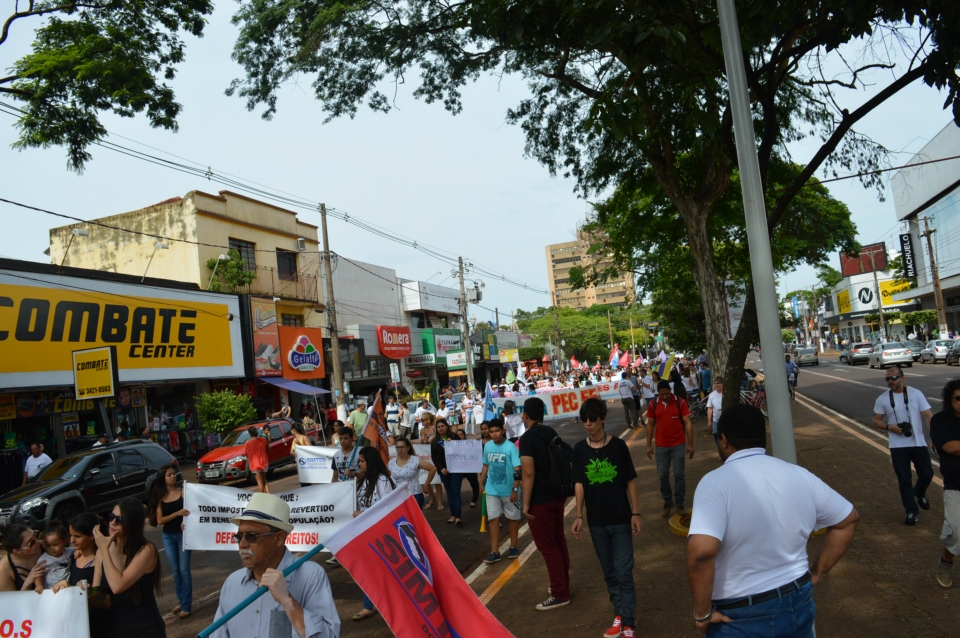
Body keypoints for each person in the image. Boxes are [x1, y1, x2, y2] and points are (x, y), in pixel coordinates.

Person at [687, 404, 859, 637]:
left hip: (741, 614)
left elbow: (701, 553)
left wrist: (703, 614)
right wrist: (816, 573)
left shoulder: (714, 483)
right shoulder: (799, 475)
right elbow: (848, 519)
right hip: (798, 600)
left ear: (724, 440)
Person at [213, 493, 340, 637]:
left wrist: (287, 601)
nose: (242, 544)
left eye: (251, 536)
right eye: (238, 536)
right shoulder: (232, 583)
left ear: (279, 538)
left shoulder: (311, 575)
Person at [571, 398, 642, 638]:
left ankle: (629, 622)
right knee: (610, 572)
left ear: (602, 418)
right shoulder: (580, 449)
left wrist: (636, 512)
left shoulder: (619, 446)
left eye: (592, 419)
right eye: (584, 419)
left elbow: (630, 480)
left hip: (621, 518)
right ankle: (619, 614)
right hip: (597, 522)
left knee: (624, 571)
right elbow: (579, 483)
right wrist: (578, 514)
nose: (588, 424)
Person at [520, 397, 571, 611]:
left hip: (540, 500)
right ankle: (562, 585)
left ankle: (560, 593)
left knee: (548, 546)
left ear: (526, 415)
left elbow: (528, 472)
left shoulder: (527, 438)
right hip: (557, 495)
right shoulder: (551, 432)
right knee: (558, 541)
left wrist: (526, 503)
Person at [93, 496, 165, 638]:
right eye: (111, 516)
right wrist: (81, 591)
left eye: (119, 520)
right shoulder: (101, 551)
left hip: (143, 628)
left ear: (132, 524)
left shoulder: (146, 550)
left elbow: (118, 585)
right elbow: (96, 591)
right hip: (112, 628)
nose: (112, 522)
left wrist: (104, 550)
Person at [872, 367, 935, 525]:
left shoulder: (915, 393)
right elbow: (876, 419)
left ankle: (919, 492)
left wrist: (934, 436)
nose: (890, 381)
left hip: (918, 442)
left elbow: (928, 415)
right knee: (904, 479)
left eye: (894, 378)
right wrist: (889, 427)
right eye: (888, 379)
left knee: (927, 474)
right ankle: (911, 511)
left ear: (902, 378)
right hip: (897, 445)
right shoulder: (883, 399)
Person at [352, 447, 396, 621]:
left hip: (380, 533)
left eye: (362, 461)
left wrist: (362, 515)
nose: (359, 464)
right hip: (363, 532)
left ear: (370, 462)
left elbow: (387, 508)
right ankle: (369, 605)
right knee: (365, 570)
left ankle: (392, 605)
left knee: (383, 570)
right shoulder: (363, 481)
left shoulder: (382, 480)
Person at [146, 465, 192, 619]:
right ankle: (181, 600)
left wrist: (186, 520)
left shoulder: (183, 492)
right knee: (176, 571)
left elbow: (193, 511)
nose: (173, 476)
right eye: (169, 475)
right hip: (168, 536)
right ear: (163, 478)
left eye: (174, 474)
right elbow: (160, 520)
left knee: (184, 570)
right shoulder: (160, 496)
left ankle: (186, 606)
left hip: (183, 535)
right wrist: (177, 513)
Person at [52, 512, 109, 635]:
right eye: (71, 535)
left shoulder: (102, 560)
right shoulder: (71, 556)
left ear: (92, 536)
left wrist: (78, 592)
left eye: (77, 536)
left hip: (95, 626)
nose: (72, 540)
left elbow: (104, 597)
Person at [645, 380, 694, 518]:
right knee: (663, 475)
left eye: (667, 394)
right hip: (661, 446)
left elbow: (688, 423)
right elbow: (650, 425)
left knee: (679, 475)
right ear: (658, 393)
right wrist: (648, 446)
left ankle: (679, 503)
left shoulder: (680, 402)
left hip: (678, 444)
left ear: (670, 391)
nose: (665, 397)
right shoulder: (653, 404)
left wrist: (690, 444)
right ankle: (667, 501)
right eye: (662, 394)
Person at [931, 378, 960, 588]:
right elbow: (951, 448)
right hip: (956, 484)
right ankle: (947, 561)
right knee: (956, 530)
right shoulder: (940, 421)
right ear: (950, 400)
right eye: (958, 398)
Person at [481, 418, 522, 564]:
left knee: (512, 519)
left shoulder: (511, 447)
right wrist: (481, 483)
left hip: (509, 490)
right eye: (491, 432)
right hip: (492, 490)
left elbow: (518, 470)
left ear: (503, 430)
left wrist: (515, 490)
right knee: (493, 519)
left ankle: (513, 546)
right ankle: (495, 551)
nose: (494, 434)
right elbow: (485, 466)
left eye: (497, 431)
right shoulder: (487, 446)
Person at [388, 436, 436, 509]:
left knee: (415, 519)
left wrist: (426, 485)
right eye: (397, 447)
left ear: (408, 448)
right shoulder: (392, 462)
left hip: (414, 495)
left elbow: (432, 468)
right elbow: (381, 472)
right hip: (398, 496)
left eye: (402, 447)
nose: (400, 449)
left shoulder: (415, 460)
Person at [431, 419, 464, 525]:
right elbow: (434, 458)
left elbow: (464, 450)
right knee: (449, 493)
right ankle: (453, 515)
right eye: (438, 427)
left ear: (447, 426)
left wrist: (453, 444)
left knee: (456, 492)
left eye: (442, 426)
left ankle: (458, 517)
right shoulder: (435, 441)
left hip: (456, 469)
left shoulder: (454, 437)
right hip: (444, 471)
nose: (440, 428)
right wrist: (441, 469)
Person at [0, 524, 47, 591]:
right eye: (31, 543)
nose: (37, 541)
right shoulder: (4, 569)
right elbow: (12, 600)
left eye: (36, 535)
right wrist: (27, 583)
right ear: (17, 551)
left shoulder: (47, 546)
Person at [34, 521, 74, 593]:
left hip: (67, 588)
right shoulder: (43, 559)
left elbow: (79, 549)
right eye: (48, 545)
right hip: (51, 591)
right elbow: (38, 575)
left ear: (65, 541)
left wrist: (79, 551)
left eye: (55, 544)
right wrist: (39, 585)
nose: (51, 548)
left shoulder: (69, 552)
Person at [244, 426, 271, 494]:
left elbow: (246, 454)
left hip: (255, 463)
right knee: (264, 479)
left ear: (250, 434)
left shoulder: (247, 443)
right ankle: (269, 494)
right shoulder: (263, 439)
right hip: (264, 461)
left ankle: (262, 497)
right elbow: (268, 449)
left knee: (259, 481)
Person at [705, 377, 724, 442]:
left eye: (719, 383)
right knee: (715, 435)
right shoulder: (712, 395)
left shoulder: (726, 394)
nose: (717, 385)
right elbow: (710, 408)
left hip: (725, 419)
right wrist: (709, 421)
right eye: (716, 383)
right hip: (716, 420)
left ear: (722, 384)